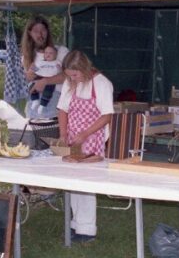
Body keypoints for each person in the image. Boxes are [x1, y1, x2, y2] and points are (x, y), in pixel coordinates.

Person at [57, 50, 114, 243]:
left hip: (92, 138)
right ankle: (76, 224)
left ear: (84, 69)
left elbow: (106, 115)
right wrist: (63, 134)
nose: (72, 78)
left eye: (75, 74)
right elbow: (62, 110)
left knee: (87, 184)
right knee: (72, 181)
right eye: (69, 75)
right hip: (74, 138)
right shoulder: (70, 83)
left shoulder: (102, 84)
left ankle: (87, 230)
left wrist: (85, 134)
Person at [21, 16, 68, 119]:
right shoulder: (27, 56)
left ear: (47, 32)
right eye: (36, 31)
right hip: (32, 107)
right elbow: (25, 83)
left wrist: (45, 81)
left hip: (56, 106)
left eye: (43, 30)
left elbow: (68, 76)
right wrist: (28, 76)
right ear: (29, 33)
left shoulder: (61, 51)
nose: (40, 34)